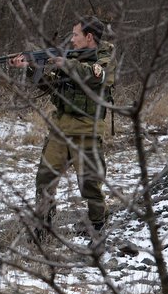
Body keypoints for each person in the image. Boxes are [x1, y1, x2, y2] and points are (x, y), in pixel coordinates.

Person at [8, 16, 115, 246]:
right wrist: (32, 68)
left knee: (90, 183)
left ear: (89, 37)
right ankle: (43, 227)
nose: (72, 39)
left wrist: (63, 62)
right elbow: (49, 87)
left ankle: (97, 226)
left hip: (87, 128)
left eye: (76, 35)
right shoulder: (71, 57)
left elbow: (94, 77)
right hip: (61, 127)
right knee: (44, 179)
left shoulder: (105, 59)